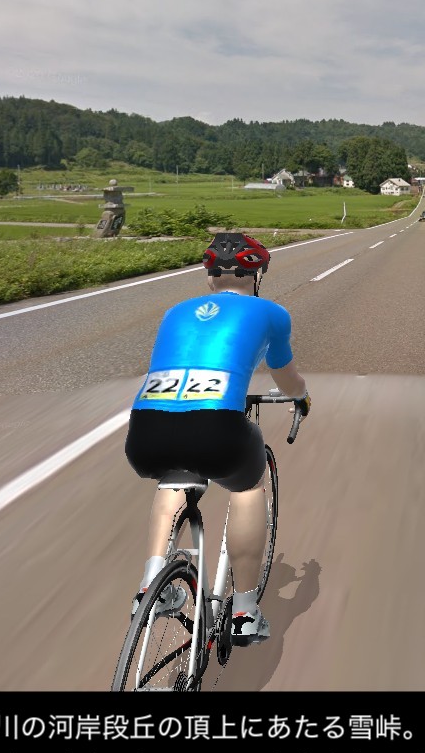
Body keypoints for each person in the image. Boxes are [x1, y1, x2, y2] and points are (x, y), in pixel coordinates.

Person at [124, 231, 310, 645]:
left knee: (174, 478)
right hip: (216, 427)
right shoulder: (272, 313)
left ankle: (151, 583)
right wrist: (301, 398)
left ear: (210, 277)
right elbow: (286, 377)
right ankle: (244, 611)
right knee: (247, 486)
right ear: (257, 275)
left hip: (145, 429)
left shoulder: (175, 312)